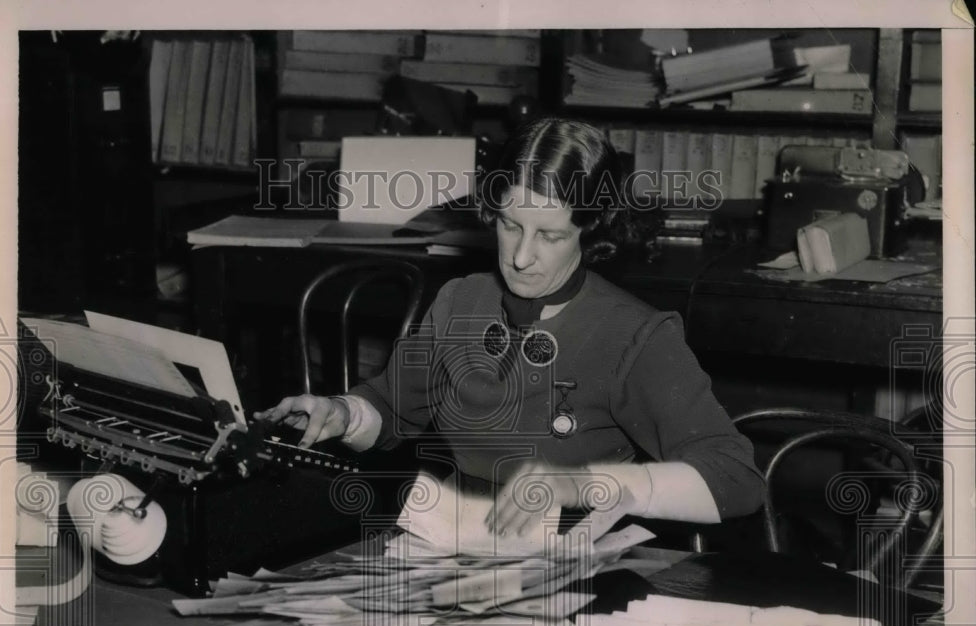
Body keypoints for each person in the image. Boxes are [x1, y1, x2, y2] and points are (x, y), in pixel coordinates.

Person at [256, 117, 763, 545]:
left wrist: (580, 483)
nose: (521, 257)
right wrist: (342, 413)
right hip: (445, 542)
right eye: (509, 225)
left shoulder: (635, 335)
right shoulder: (461, 300)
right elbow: (390, 412)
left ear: (590, 228)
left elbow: (736, 480)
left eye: (549, 235)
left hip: (571, 562)